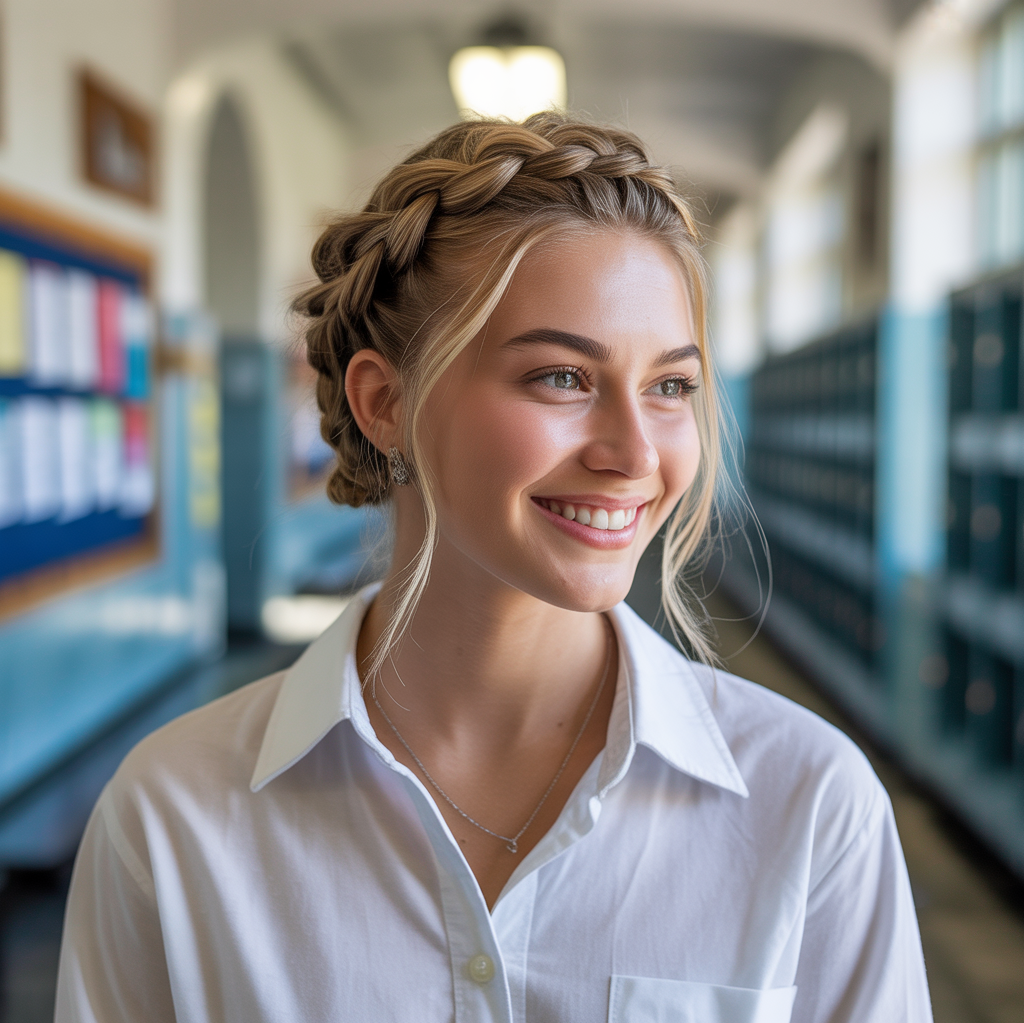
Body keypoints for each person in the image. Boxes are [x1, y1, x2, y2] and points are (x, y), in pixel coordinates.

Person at [55, 113, 932, 1023]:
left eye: (671, 386)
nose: (635, 452)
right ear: (386, 402)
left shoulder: (812, 809)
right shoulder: (173, 819)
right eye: (561, 377)